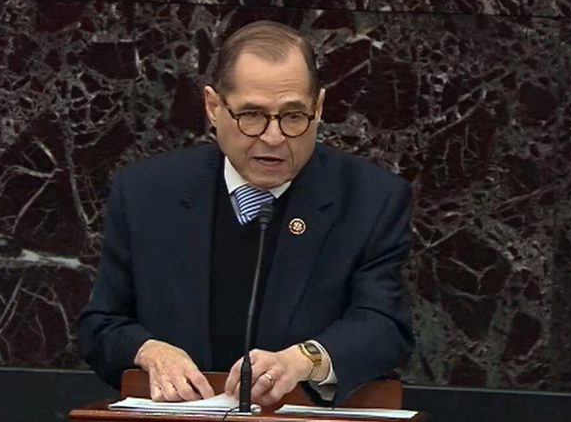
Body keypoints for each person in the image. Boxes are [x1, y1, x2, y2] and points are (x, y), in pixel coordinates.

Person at [78, 20, 414, 406]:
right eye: (252, 115)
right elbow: (101, 324)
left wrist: (304, 360)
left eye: (293, 116)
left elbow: (386, 326)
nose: (273, 137)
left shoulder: (371, 200)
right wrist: (148, 350)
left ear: (318, 108)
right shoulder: (146, 194)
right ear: (213, 107)